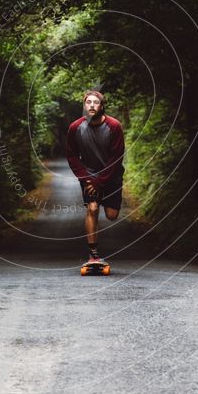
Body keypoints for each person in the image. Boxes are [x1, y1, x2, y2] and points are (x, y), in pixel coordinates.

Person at [66, 90, 125, 264]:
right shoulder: (75, 127)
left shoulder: (114, 126)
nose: (92, 105)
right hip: (90, 175)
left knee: (111, 215)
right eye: (88, 102)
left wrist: (100, 181)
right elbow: (72, 156)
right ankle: (93, 255)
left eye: (95, 102)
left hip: (112, 174)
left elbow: (117, 157)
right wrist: (86, 179)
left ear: (102, 106)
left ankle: (108, 203)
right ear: (84, 105)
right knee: (92, 208)